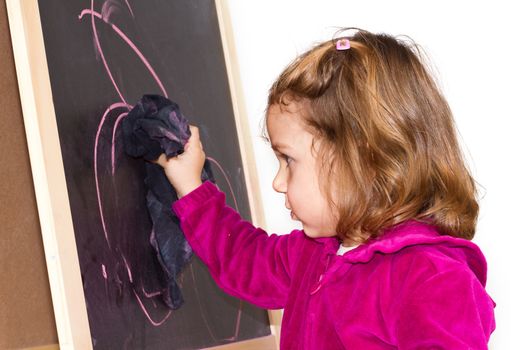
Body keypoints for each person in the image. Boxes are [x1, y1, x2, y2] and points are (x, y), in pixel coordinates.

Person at [156, 29, 496, 349]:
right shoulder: (314, 252)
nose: (277, 182)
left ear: (361, 158)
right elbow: (245, 260)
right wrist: (191, 188)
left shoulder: (433, 280)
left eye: (289, 160)